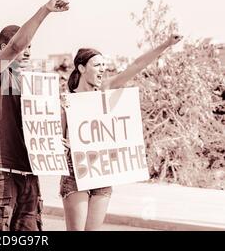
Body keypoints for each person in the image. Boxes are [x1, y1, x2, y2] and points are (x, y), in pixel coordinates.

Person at [60, 34, 183, 231]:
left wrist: (166, 44)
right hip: (75, 172)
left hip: (101, 172)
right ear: (82, 68)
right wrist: (62, 143)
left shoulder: (105, 90)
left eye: (104, 65)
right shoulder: (67, 101)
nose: (103, 69)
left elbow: (136, 65)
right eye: (97, 65)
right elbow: (58, 137)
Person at [0, 0, 70, 231]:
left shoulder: (33, 85)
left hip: (30, 173)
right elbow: (16, 45)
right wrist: (45, 10)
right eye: (24, 47)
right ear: (3, 48)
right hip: (0, 172)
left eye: (31, 48)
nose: (27, 52)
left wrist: (52, 142)